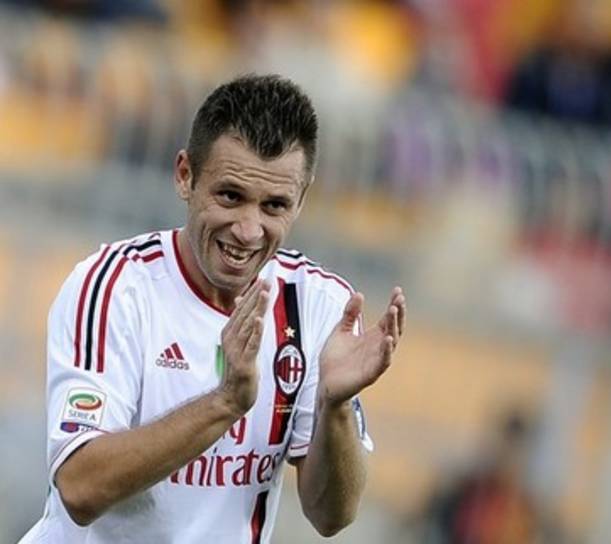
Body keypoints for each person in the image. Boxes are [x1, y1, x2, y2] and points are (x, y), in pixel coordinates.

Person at [19, 74, 407, 543]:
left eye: (274, 206)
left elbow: (332, 516)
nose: (248, 230)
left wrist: (336, 406)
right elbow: (81, 487)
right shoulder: (115, 288)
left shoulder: (318, 306)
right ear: (186, 176)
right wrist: (225, 402)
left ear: (301, 200)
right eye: (230, 196)